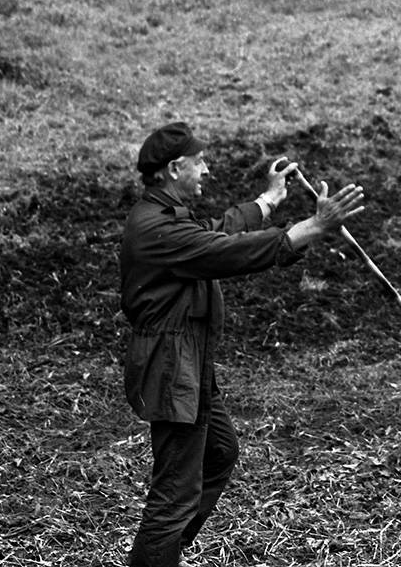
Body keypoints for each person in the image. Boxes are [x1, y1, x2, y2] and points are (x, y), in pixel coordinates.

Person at [120, 121, 365, 567]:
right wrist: (313, 226)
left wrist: (270, 198)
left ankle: (164, 552)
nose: (208, 170)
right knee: (174, 494)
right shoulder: (157, 228)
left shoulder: (168, 215)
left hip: (189, 361)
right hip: (171, 365)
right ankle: (157, 555)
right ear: (176, 168)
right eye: (200, 163)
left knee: (219, 453)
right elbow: (228, 252)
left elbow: (220, 231)